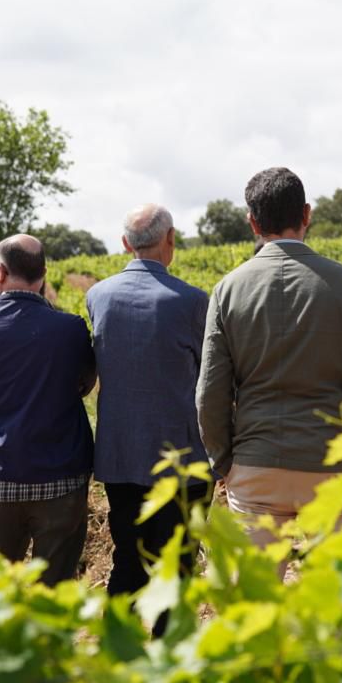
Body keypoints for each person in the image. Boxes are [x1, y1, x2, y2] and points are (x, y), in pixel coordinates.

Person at [197, 167, 342, 548]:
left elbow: (210, 394)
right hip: (332, 465)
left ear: (253, 223)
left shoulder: (227, 290)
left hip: (256, 465)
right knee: (341, 597)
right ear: (307, 215)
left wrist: (224, 462)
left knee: (255, 602)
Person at [86, 204, 209, 610]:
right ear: (171, 239)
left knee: (128, 559)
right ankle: (170, 654)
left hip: (120, 457)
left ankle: (118, 650)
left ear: (125, 244)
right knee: (178, 566)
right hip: (180, 458)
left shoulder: (97, 296)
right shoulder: (192, 302)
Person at [0, 234, 96, 585]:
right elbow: (85, 385)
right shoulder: (71, 329)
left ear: (1, 273)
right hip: (61, 476)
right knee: (54, 587)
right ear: (44, 274)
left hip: (1, 476)